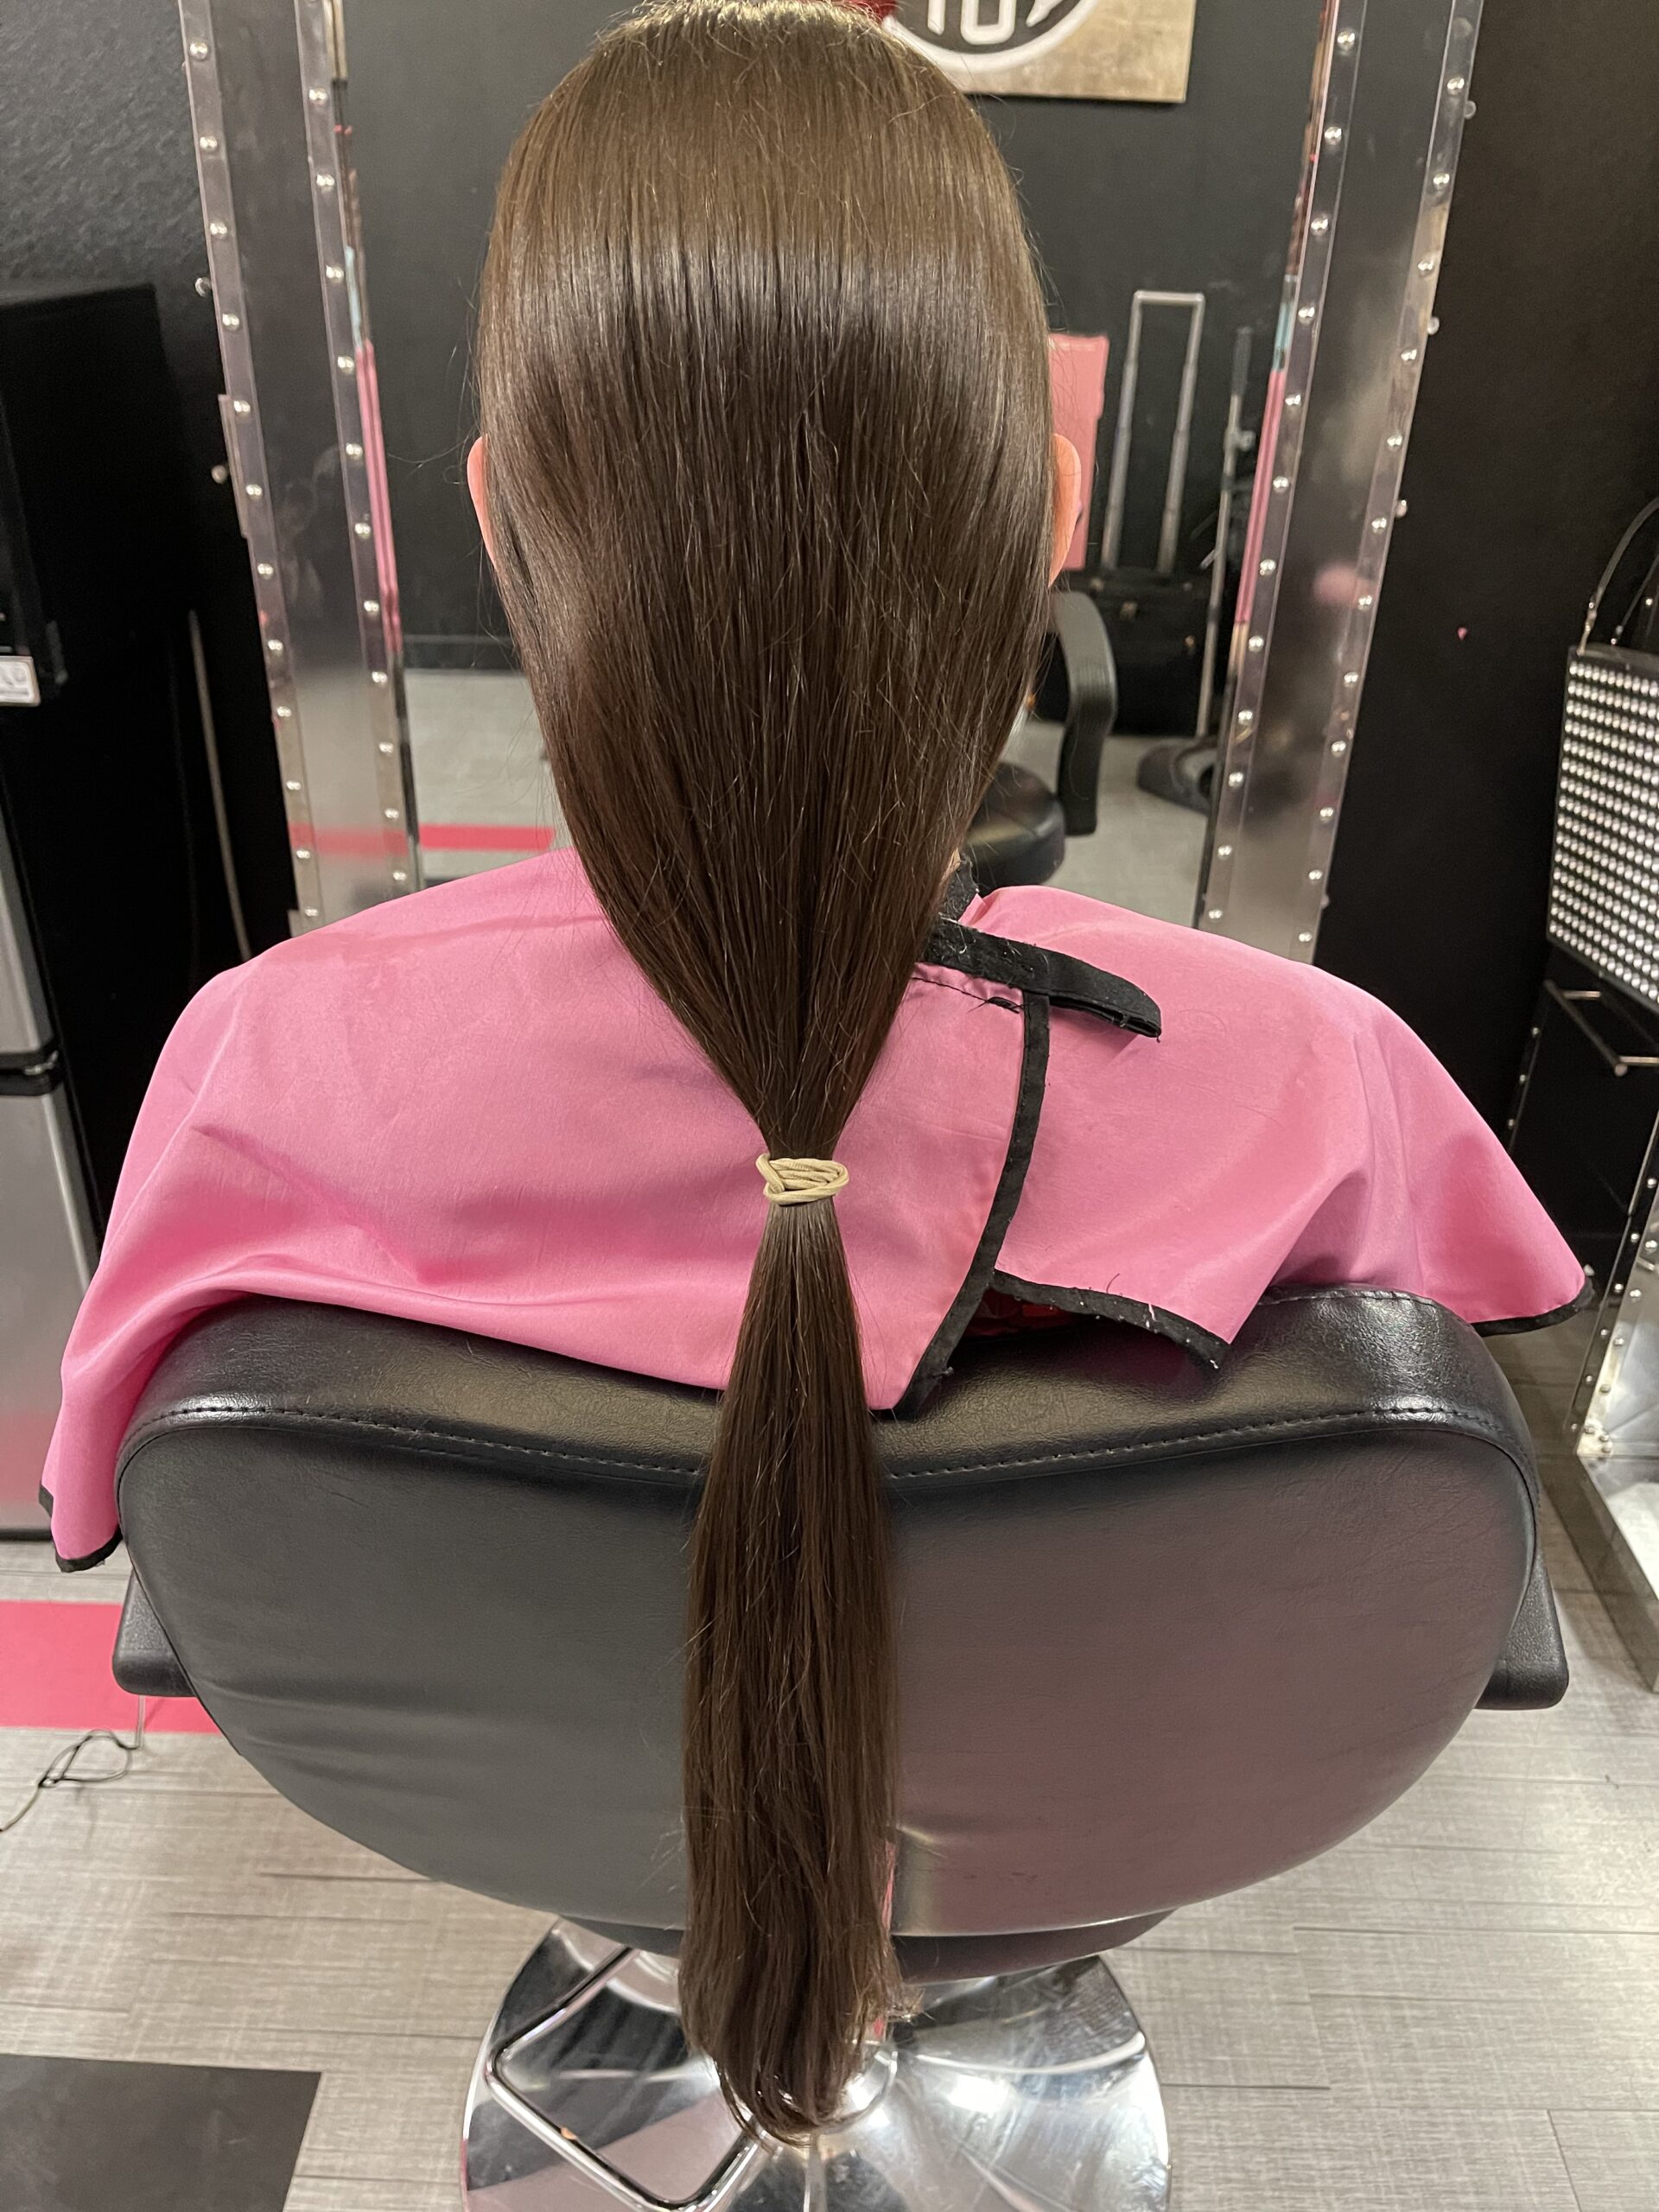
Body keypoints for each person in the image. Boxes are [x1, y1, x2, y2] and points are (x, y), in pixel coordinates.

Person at [41, 0, 1585, 2142]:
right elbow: (1433, 1508)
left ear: (499, 518)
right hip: (1102, 1789)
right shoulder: (1323, 1078)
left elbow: (130, 1518)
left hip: (533, 1789)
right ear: (1049, 513)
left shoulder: (263, 1061)